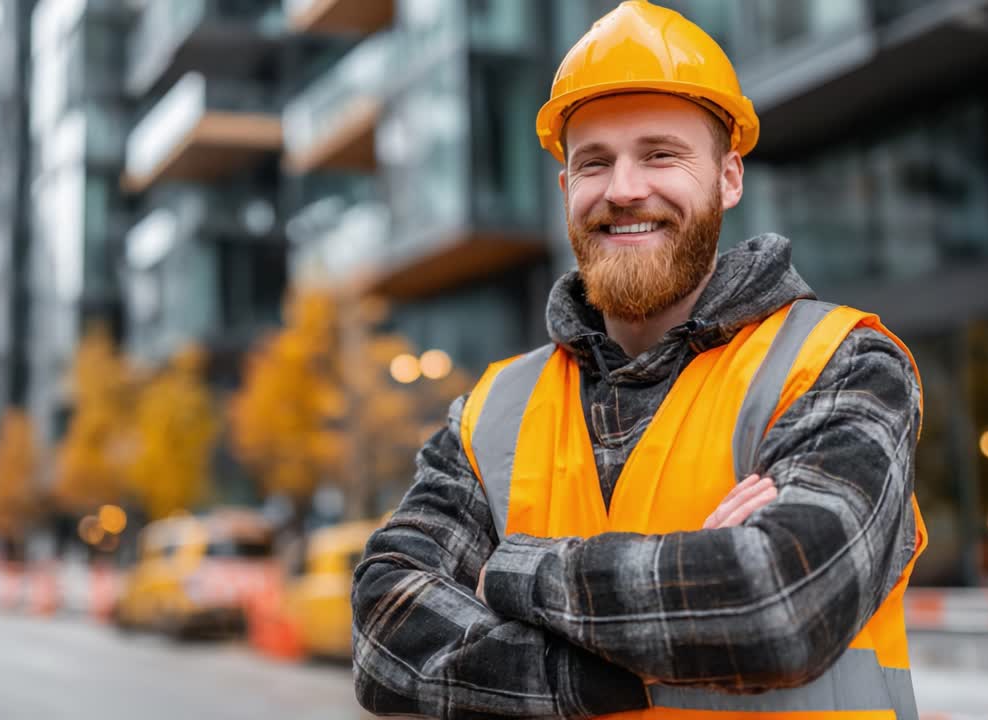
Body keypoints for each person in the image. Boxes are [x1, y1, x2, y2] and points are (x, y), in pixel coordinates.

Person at [352, 2, 926, 717]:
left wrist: (505, 571)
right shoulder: (492, 411)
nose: (623, 189)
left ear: (728, 178)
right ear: (566, 191)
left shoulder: (843, 364)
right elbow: (386, 632)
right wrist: (622, 664)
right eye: (594, 162)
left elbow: (779, 605)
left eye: (660, 154)